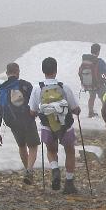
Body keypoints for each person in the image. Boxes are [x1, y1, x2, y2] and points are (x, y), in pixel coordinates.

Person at [29, 57, 83, 195]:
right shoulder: (64, 87)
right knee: (70, 151)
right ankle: (69, 183)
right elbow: (75, 108)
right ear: (56, 70)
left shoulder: (37, 88)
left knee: (51, 150)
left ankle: (55, 169)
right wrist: (76, 111)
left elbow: (32, 111)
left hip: (47, 126)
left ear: (43, 71)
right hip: (66, 126)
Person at [0, 62, 40, 184]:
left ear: (7, 73)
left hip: (12, 122)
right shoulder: (25, 85)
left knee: (22, 146)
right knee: (33, 146)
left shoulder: (0, 88)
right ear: (18, 71)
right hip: (27, 120)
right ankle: (29, 170)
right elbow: (34, 104)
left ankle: (27, 170)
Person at [78, 43, 106, 118]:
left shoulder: (85, 60)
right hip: (98, 84)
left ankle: (90, 112)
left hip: (89, 83)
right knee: (103, 98)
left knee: (92, 97)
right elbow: (105, 73)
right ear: (98, 51)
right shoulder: (99, 61)